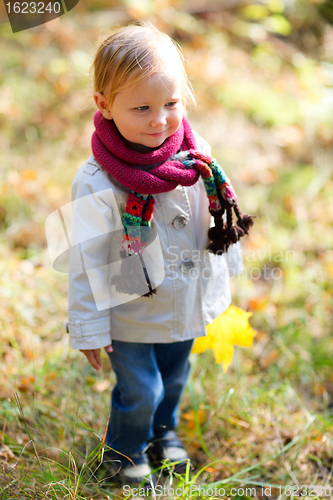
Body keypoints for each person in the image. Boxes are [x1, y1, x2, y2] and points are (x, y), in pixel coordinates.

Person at [66, 22, 247, 486]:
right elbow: (84, 263)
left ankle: (163, 434)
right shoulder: (95, 181)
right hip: (129, 310)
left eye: (171, 103)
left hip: (182, 300)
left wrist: (223, 280)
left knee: (175, 378)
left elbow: (212, 225)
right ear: (103, 105)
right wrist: (87, 326)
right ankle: (124, 451)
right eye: (141, 107)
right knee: (141, 388)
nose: (160, 120)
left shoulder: (196, 156)